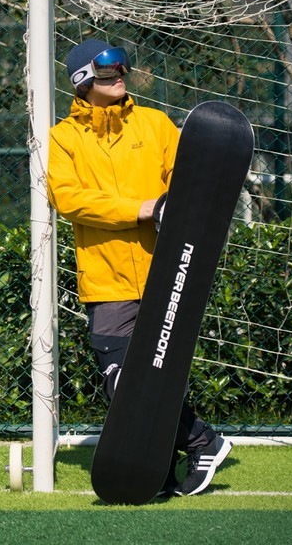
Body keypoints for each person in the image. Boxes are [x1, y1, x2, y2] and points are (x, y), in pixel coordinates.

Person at [46, 38, 232, 498]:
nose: (122, 73)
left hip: (168, 269)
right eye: (109, 70)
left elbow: (188, 183)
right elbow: (69, 199)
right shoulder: (62, 138)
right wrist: (144, 208)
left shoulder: (156, 124)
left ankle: (168, 464)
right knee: (121, 379)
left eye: (123, 66)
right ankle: (202, 440)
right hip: (106, 276)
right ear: (83, 80)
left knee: (158, 372)